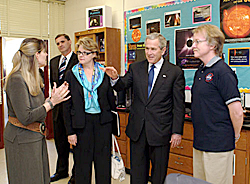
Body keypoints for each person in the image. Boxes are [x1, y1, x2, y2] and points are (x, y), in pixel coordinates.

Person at [103, 33, 185, 184]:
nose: (149, 52)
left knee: (158, 175)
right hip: (138, 131)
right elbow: (122, 85)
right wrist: (115, 78)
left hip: (160, 132)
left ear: (163, 50)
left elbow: (178, 105)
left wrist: (177, 131)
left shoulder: (175, 72)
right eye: (147, 48)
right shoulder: (135, 68)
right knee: (137, 174)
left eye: (153, 49)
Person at [4, 38, 70, 184]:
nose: (47, 55)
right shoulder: (16, 79)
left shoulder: (34, 77)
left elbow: (36, 107)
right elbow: (26, 117)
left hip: (34, 136)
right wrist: (52, 103)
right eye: (44, 52)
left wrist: (51, 98)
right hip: (21, 139)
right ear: (36, 55)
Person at [191, 24, 243, 184]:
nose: (193, 46)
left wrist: (234, 136)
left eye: (197, 42)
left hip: (218, 144)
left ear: (213, 45)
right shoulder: (200, 71)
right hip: (200, 142)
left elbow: (237, 112)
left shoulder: (223, 72)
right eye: (192, 42)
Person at [63, 37, 116, 184]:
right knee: (82, 165)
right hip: (81, 123)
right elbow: (66, 106)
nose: (81, 56)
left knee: (103, 164)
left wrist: (113, 81)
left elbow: (111, 101)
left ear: (94, 54)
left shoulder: (104, 71)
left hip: (102, 123)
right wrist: (70, 132)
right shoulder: (71, 74)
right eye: (79, 52)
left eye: (85, 53)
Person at [49, 34, 78, 183]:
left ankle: (75, 175)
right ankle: (61, 171)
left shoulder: (78, 59)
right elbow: (52, 84)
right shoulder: (54, 62)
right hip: (58, 108)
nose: (60, 45)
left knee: (76, 143)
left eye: (62, 42)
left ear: (69, 42)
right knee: (60, 142)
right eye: (57, 43)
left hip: (73, 108)